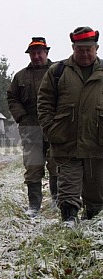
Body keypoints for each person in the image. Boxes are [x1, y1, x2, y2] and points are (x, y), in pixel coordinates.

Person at [38, 26, 103, 227]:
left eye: (88, 49)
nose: (84, 54)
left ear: (96, 48)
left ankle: (93, 223)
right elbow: (44, 102)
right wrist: (50, 128)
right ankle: (69, 220)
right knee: (68, 186)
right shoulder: (57, 72)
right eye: (80, 49)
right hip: (66, 140)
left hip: (97, 141)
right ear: (73, 48)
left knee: (97, 191)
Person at [7, 37, 58, 217]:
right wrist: (21, 116)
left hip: (54, 127)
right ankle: (34, 206)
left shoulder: (58, 71)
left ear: (46, 53)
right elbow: (12, 98)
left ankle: (56, 201)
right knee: (33, 167)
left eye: (39, 52)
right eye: (33, 53)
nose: (36, 56)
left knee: (56, 164)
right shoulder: (20, 76)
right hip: (31, 129)